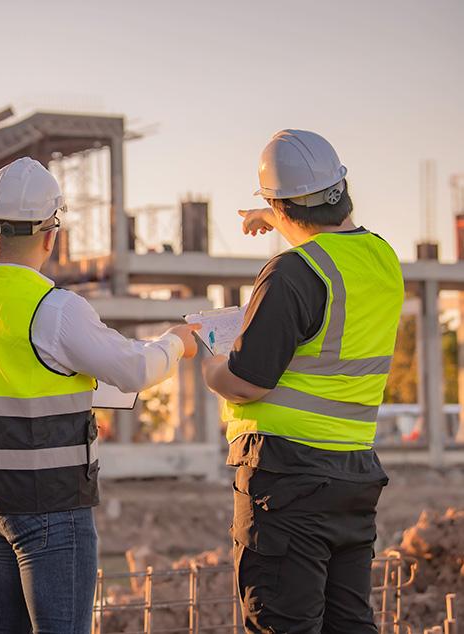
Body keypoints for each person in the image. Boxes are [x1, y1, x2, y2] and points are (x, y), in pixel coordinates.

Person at [0, 157, 199, 633]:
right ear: (52, 235)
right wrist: (178, 341)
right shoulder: (57, 310)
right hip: (51, 507)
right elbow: (134, 369)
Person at [201, 130, 404, 633]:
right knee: (348, 624)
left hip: (287, 481)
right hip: (354, 477)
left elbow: (247, 382)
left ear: (279, 202)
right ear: (343, 188)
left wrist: (210, 361)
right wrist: (274, 215)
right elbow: (332, 236)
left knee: (282, 623)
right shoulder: (383, 259)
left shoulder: (292, 273)